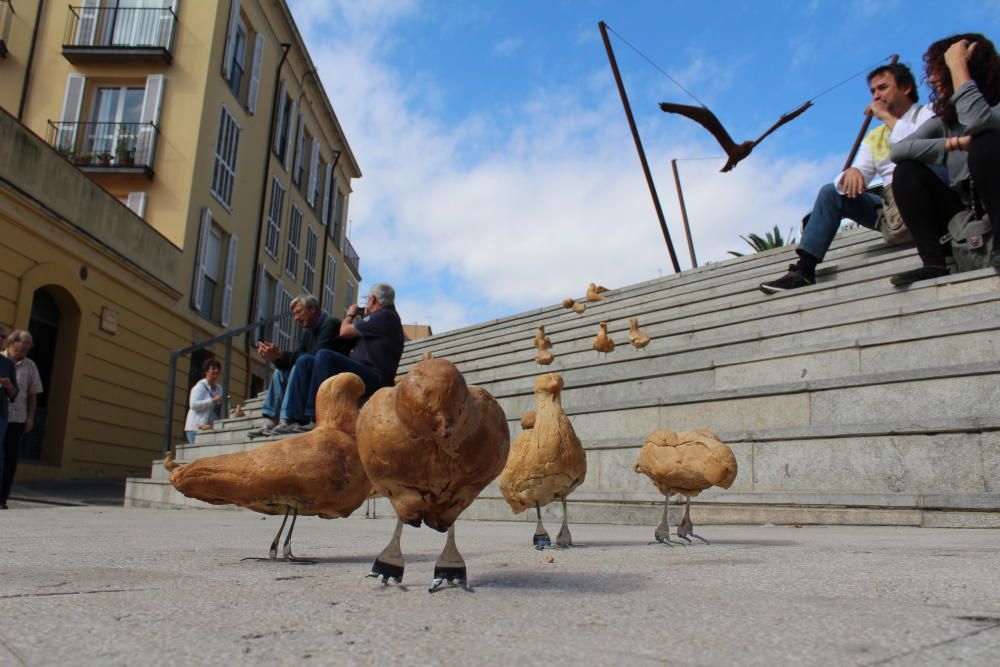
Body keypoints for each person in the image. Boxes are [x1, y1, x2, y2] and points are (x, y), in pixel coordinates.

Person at [760, 63, 936, 293]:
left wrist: (885, 117)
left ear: (906, 87)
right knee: (830, 192)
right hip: (893, 212)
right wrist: (851, 173)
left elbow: (921, 147)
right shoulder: (875, 137)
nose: (876, 96)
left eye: (882, 88)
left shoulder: (929, 114)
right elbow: (846, 183)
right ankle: (803, 271)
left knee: (909, 169)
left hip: (930, 203)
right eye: (873, 91)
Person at [889, 34, 1000, 286]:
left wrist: (959, 67)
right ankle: (934, 263)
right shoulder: (943, 123)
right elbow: (898, 151)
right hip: (966, 214)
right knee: (907, 171)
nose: (933, 80)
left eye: (942, 70)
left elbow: (976, 121)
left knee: (985, 142)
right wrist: (956, 143)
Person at [303, 283, 405, 423]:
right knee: (308, 361)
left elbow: (344, 331)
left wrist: (350, 314)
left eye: (367, 300)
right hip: (369, 373)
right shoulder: (387, 318)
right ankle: (296, 417)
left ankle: (316, 415)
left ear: (373, 300)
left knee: (324, 356)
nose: (367, 304)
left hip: (375, 378)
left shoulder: (384, 316)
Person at [249, 295, 347, 437]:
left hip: (326, 375)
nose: (295, 318)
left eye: (299, 312)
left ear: (312, 309)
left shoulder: (331, 324)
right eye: (294, 314)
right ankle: (271, 420)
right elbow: (296, 357)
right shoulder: (308, 332)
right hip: (308, 373)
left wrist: (282, 354)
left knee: (301, 363)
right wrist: (275, 356)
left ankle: (290, 419)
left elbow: (317, 357)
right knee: (279, 372)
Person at [1, 330, 34, 510]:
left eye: (30, 344)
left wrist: (30, 418)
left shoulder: (31, 366)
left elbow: (33, 395)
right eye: (25, 342)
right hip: (1, 415)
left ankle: (2, 498)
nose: (28, 347)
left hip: (16, 418)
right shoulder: (2, 360)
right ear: (13, 342)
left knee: (10, 459)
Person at [184, 359, 223, 444]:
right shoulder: (200, 387)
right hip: (196, 429)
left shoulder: (220, 388)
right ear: (206, 371)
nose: (216, 371)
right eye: (213, 368)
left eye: (218, 369)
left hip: (210, 428)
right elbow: (193, 405)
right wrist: (212, 401)